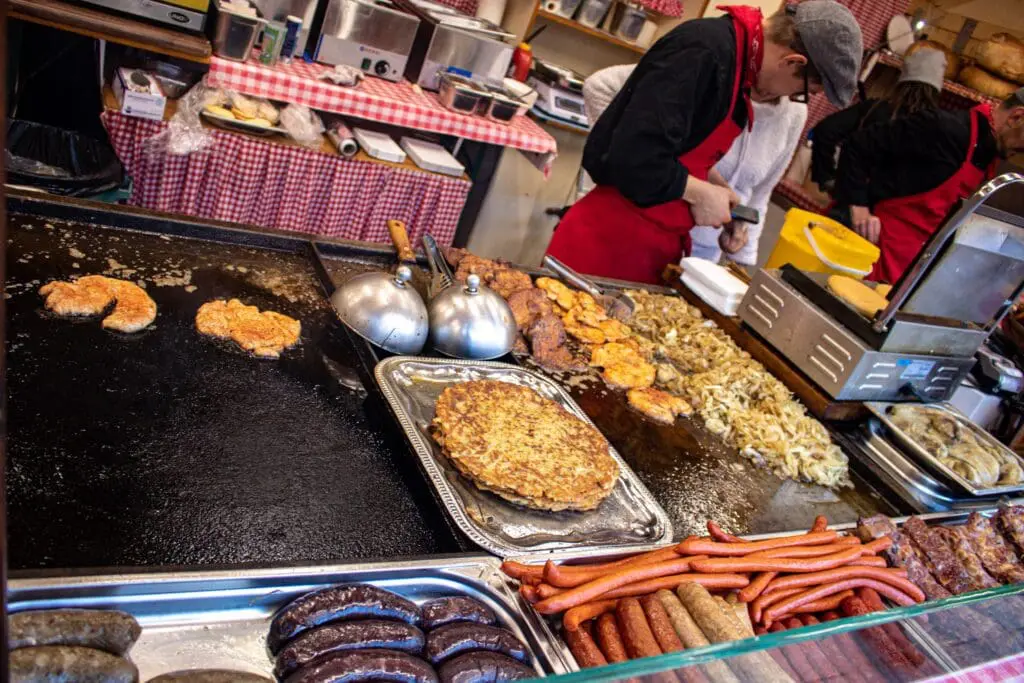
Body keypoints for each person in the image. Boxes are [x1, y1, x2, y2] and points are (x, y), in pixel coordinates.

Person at [544, 1, 863, 284]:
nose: (788, 100)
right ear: (793, 62)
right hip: (606, 244)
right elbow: (633, 154)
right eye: (800, 91)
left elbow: (680, 149)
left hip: (654, 249)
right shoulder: (703, 51)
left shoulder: (742, 67)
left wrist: (720, 192)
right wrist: (699, 193)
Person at [580, 65, 808, 267]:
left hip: (703, 258)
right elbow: (599, 87)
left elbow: (760, 193)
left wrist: (741, 252)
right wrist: (630, 155)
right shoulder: (714, 69)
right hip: (635, 227)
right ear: (790, 61)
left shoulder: (795, 113)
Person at [832, 86, 1024, 283]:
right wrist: (858, 206)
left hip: (905, 271)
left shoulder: (991, 156)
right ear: (1016, 117)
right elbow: (857, 146)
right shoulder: (942, 128)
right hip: (863, 254)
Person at [811, 47, 947, 192]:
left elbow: (824, 130)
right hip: (890, 207)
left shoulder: (874, 108)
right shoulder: (938, 128)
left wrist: (826, 178)